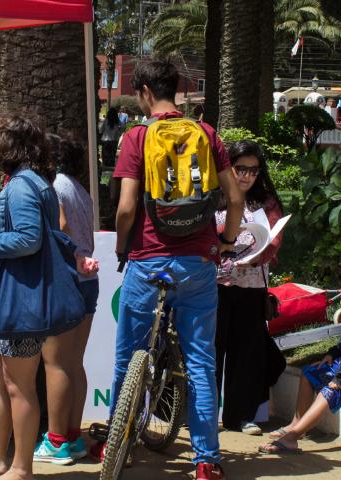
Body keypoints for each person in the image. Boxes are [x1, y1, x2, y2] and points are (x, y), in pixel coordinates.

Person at [109, 59, 243, 480]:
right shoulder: (206, 133)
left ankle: (118, 446)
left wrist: (121, 248)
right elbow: (235, 200)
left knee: (126, 357)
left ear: (145, 90)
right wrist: (224, 242)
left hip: (147, 258)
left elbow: (127, 208)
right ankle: (206, 461)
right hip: (198, 262)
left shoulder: (137, 137)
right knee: (201, 362)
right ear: (176, 90)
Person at [0, 114, 95, 479]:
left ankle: (21, 467)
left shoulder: (20, 186)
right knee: (6, 384)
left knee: (19, 389)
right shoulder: (38, 183)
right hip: (17, 298)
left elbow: (27, 239)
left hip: (20, 301)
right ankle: (0, 459)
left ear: (9, 145)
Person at [32, 134, 99, 465]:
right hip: (88, 282)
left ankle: (56, 440)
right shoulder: (79, 188)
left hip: (67, 280)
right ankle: (72, 436)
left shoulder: (55, 186)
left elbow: (59, 225)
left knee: (56, 363)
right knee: (74, 363)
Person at [215, 140, 287, 436]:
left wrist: (259, 255)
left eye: (253, 170)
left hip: (252, 286)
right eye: (240, 168)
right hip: (215, 285)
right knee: (211, 352)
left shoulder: (266, 202)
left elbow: (274, 239)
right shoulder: (213, 196)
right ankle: (201, 415)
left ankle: (239, 416)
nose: (245, 176)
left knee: (246, 352)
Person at [259, 262, 341, 454]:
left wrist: (338, 378)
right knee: (308, 373)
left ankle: (292, 437)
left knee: (329, 390)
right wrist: (331, 354)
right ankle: (296, 425)